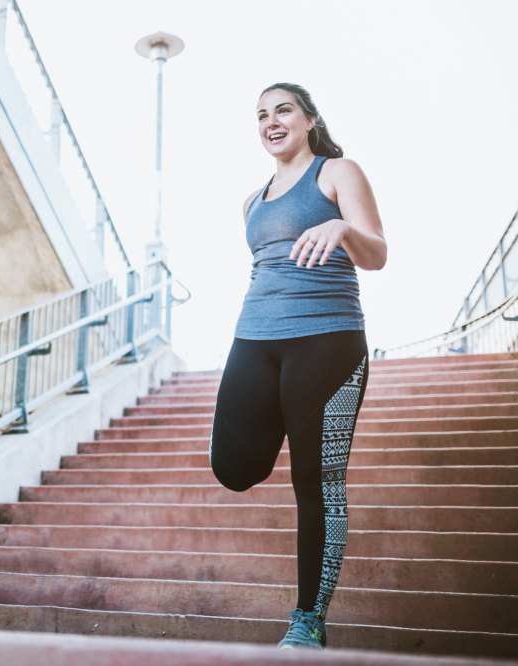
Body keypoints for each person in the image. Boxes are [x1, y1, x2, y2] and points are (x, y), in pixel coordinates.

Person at [209, 83, 387, 649]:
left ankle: (308, 621)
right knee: (232, 467)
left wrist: (343, 228)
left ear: (309, 119)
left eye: (282, 109)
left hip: (327, 341)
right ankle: (294, 414)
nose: (271, 121)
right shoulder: (251, 200)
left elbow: (377, 252)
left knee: (315, 483)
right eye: (261, 115)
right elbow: (268, 266)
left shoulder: (336, 172)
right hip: (255, 337)